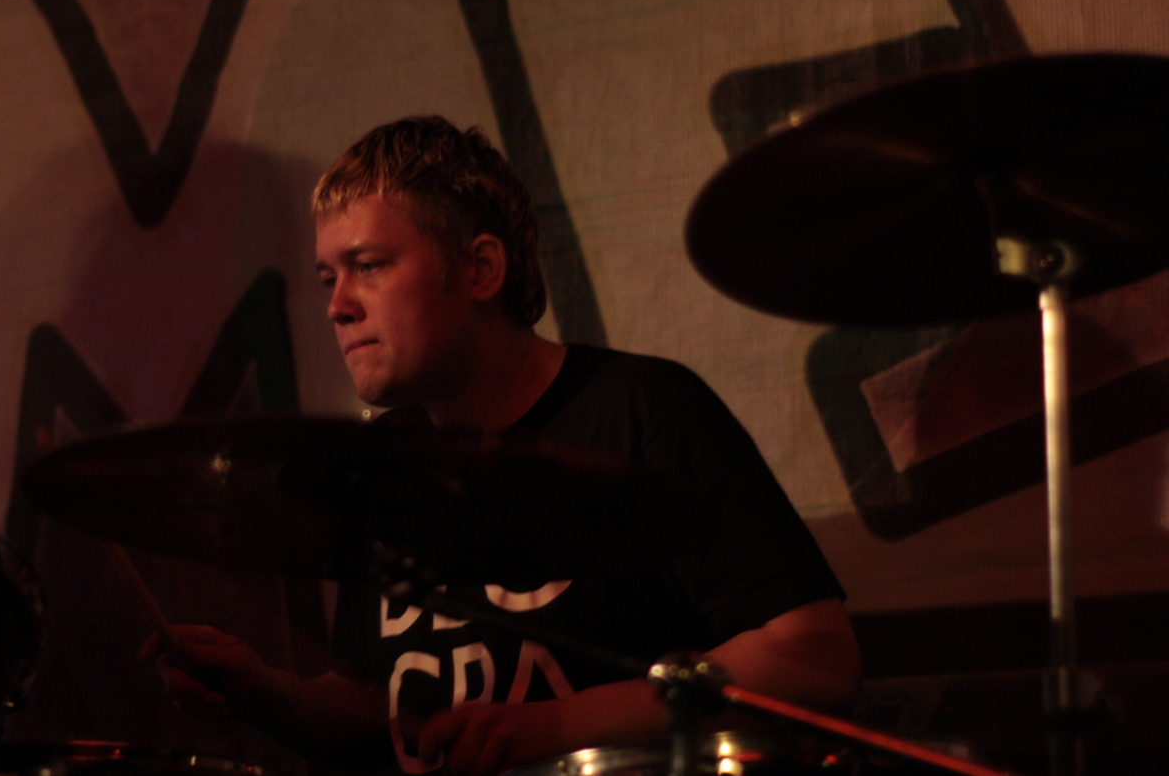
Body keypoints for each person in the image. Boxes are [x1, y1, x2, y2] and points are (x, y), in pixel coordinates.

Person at [144, 116, 862, 776]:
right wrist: (267, 691)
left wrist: (563, 725)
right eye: (330, 277)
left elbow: (815, 656)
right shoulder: (384, 459)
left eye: (370, 265)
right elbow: (380, 715)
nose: (338, 305)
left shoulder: (643, 411)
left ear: (481, 269)